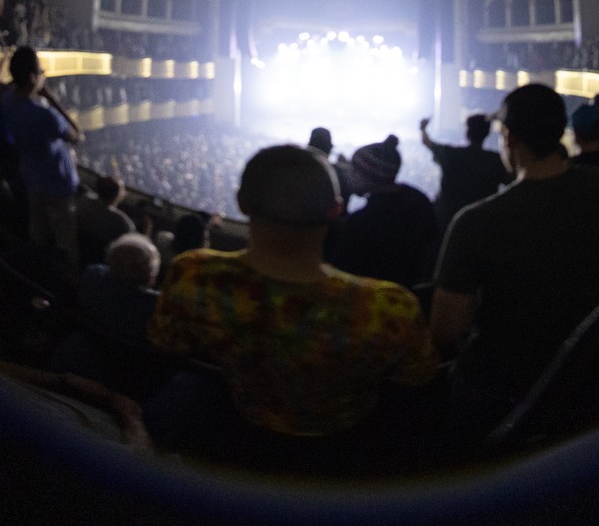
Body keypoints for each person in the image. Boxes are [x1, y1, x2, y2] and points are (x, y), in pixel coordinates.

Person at [146, 145, 438, 441]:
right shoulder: (391, 307)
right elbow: (418, 377)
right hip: (348, 447)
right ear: (336, 210)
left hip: (232, 433)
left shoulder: (194, 275)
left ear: (241, 202)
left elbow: (165, 344)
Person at [431, 83, 599, 441]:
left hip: (501, 398)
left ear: (509, 137)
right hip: (586, 380)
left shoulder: (474, 223)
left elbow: (446, 330)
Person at [0, 45, 81, 274]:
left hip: (32, 179)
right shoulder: (46, 114)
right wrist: (50, 97)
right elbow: (77, 135)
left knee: (38, 237)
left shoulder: (7, 100)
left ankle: (37, 275)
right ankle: (66, 281)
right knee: (65, 245)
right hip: (58, 184)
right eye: (41, 72)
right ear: (33, 77)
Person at [324, 134, 438, 286]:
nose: (349, 176)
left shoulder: (363, 222)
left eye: (354, 170)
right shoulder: (419, 202)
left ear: (368, 176)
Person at [419, 111, 512, 235]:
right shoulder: (496, 161)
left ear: (467, 133)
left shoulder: (451, 154)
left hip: (445, 222)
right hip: (481, 225)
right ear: (487, 133)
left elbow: (427, 142)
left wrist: (423, 128)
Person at [76, 174, 135, 268]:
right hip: (101, 263)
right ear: (117, 195)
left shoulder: (83, 200)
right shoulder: (122, 223)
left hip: (77, 252)